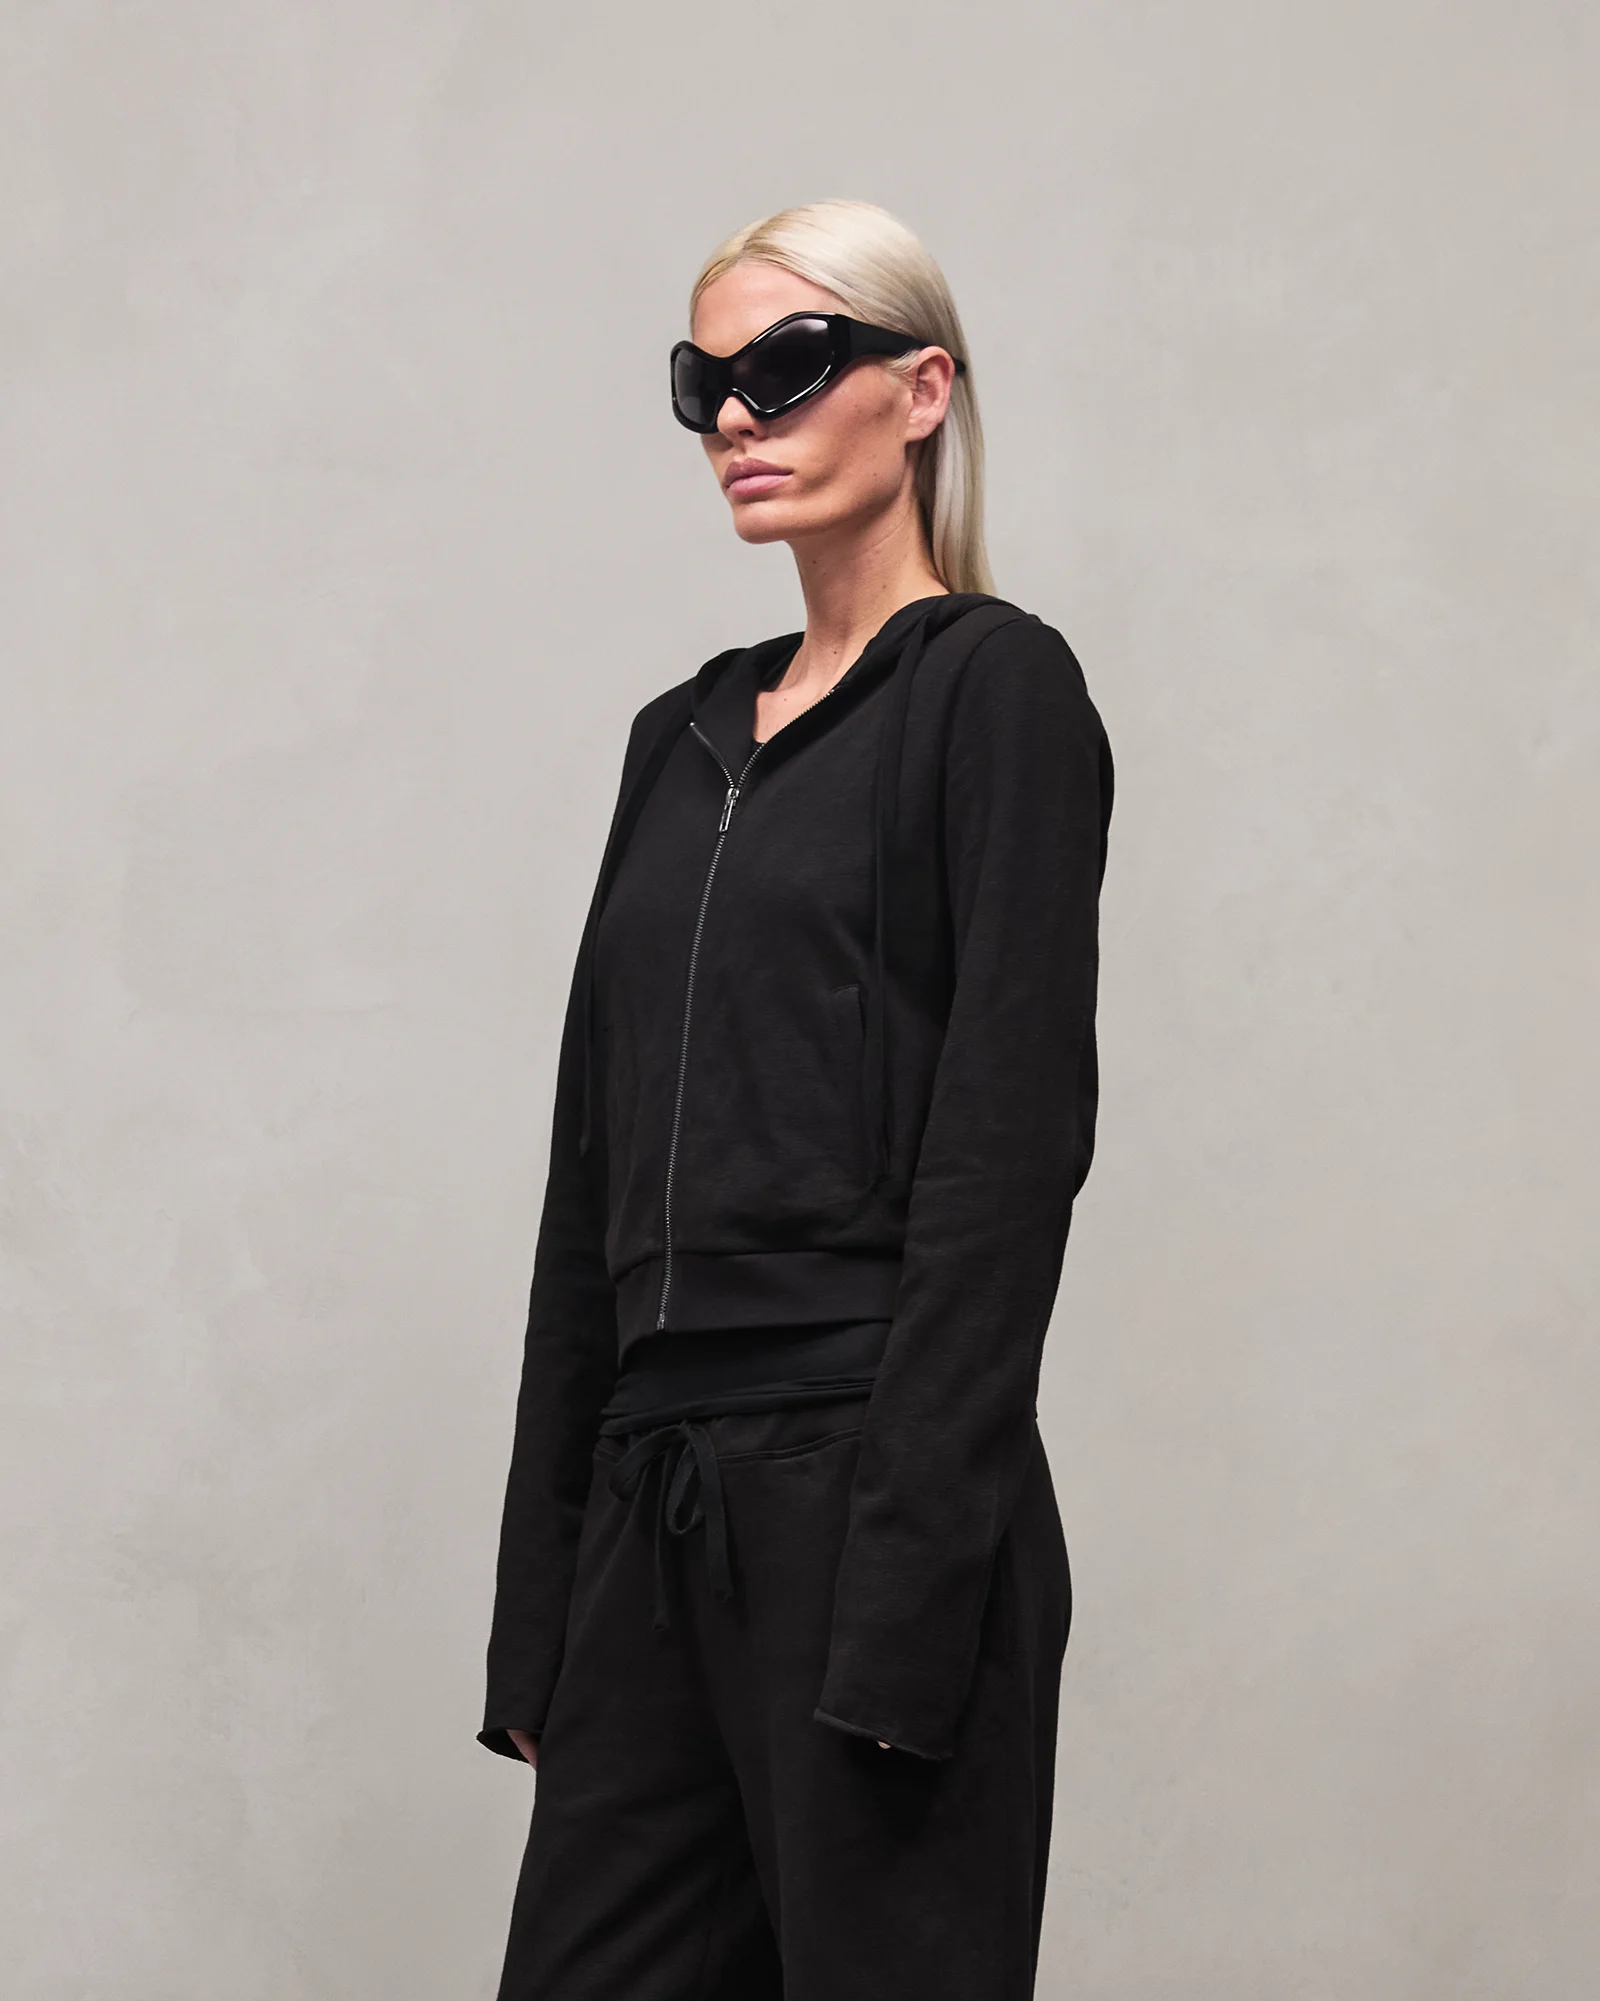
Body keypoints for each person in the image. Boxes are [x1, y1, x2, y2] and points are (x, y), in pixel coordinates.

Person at [478, 197, 1113, 2001]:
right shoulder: (677, 739)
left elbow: (1007, 1156)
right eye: (707, 384)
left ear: (921, 390)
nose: (740, 416)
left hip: (868, 1496)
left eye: (791, 364)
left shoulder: (994, 693)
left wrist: (913, 1587)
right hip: (651, 1510)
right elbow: (588, 1177)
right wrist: (544, 1602)